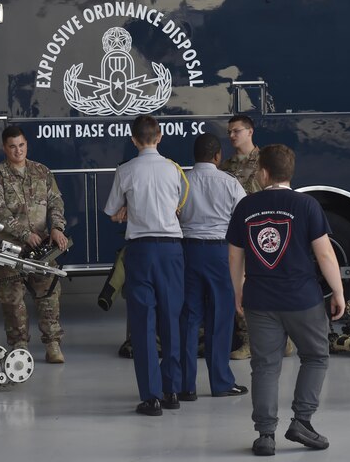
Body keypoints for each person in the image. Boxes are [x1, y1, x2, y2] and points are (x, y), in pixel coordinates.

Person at [227, 144, 345, 456]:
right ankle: (302, 422)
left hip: (259, 299)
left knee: (265, 366)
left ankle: (266, 435)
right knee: (316, 356)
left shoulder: (245, 207)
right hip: (302, 299)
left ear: (263, 172)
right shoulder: (307, 205)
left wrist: (238, 291)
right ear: (289, 172)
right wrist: (339, 292)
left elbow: (234, 257)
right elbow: (324, 254)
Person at [104, 115, 184, 416]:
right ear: (159, 136)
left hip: (140, 251)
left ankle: (150, 398)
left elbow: (111, 210)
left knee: (143, 323)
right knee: (171, 320)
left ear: (134, 140)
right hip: (172, 251)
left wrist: (126, 208)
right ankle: (172, 390)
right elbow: (178, 206)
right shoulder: (174, 170)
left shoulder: (125, 171)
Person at [0, 126, 70, 364]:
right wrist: (24, 233)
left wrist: (57, 227)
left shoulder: (42, 172)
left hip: (41, 248)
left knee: (49, 294)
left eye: (21, 145)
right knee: (12, 300)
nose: (18, 150)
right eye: (12, 146)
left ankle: (53, 344)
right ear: (5, 148)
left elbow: (56, 202)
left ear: (26, 145)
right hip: (9, 251)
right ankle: (19, 345)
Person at [178, 133, 248, 401]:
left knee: (188, 317)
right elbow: (243, 219)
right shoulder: (230, 182)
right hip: (221, 253)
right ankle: (220, 382)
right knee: (220, 316)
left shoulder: (181, 181)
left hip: (188, 252)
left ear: (195, 156)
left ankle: (186, 386)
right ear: (218, 156)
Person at [221, 115, 295, 360]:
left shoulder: (265, 162)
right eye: (230, 132)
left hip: (262, 232)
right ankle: (248, 340)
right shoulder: (226, 166)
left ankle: (281, 340)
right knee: (240, 287)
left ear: (250, 131)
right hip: (237, 232)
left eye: (237, 131)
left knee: (267, 285)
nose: (232, 136)